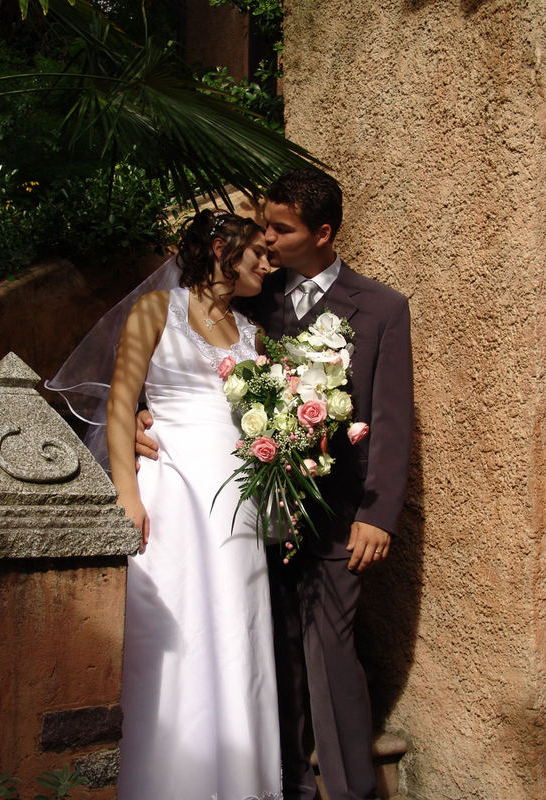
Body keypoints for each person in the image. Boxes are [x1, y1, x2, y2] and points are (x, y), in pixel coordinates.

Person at [136, 168, 413, 800]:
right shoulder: (253, 296)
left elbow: (392, 418)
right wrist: (133, 414)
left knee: (331, 653)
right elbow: (173, 351)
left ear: (322, 233)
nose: (265, 238)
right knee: (273, 654)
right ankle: (287, 786)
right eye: (263, 223)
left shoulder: (381, 309)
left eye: (279, 229)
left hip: (338, 516)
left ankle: (350, 792)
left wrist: (379, 513)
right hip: (252, 513)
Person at [90, 210, 281, 800]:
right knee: (175, 630)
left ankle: (237, 780)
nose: (268, 264)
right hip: (172, 492)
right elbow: (123, 405)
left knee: (236, 630)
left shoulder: (255, 334)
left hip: (239, 506)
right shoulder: (156, 311)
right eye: (258, 254)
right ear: (223, 249)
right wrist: (127, 495)